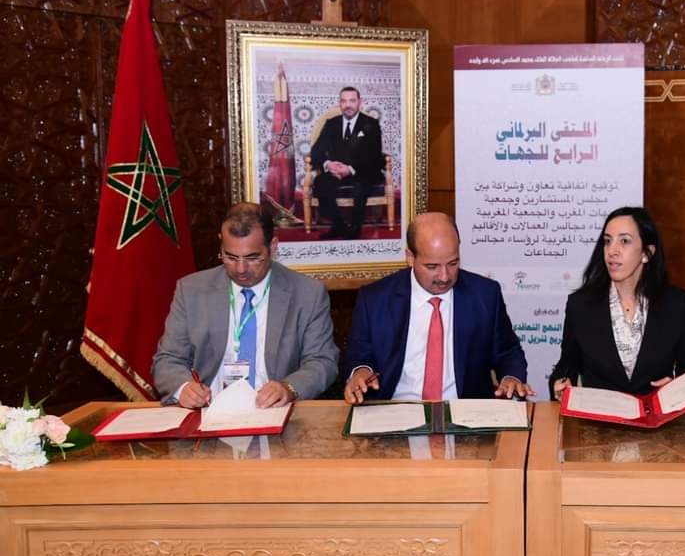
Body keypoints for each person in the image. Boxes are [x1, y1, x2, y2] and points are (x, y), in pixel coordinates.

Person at [153, 203, 338, 408]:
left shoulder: (307, 293)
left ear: (273, 247)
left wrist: (289, 388)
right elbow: (167, 359)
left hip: (274, 410)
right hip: (209, 410)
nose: (241, 269)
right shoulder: (191, 290)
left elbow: (322, 361)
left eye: (252, 258)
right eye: (230, 257)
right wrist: (183, 388)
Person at [343, 212, 533, 402]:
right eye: (432, 266)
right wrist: (360, 372)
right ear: (410, 257)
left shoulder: (485, 294)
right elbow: (358, 355)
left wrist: (511, 378)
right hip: (395, 408)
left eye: (453, 263)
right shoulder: (375, 299)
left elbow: (507, 352)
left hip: (465, 410)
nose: (444, 276)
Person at [549, 207, 685, 400]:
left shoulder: (677, 304)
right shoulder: (580, 305)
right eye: (607, 241)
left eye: (624, 241)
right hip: (600, 414)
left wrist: (676, 388)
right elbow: (567, 365)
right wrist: (560, 383)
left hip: (655, 415)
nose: (612, 251)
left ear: (647, 253)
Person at [310, 86, 383, 240]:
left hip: (361, 171)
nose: (348, 105)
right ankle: (339, 225)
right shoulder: (331, 124)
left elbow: (375, 156)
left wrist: (350, 169)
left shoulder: (371, 124)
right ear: (340, 103)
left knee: (361, 185)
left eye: (352, 100)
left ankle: (354, 229)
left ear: (359, 102)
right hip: (335, 172)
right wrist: (328, 164)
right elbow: (316, 151)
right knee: (320, 182)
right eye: (344, 101)